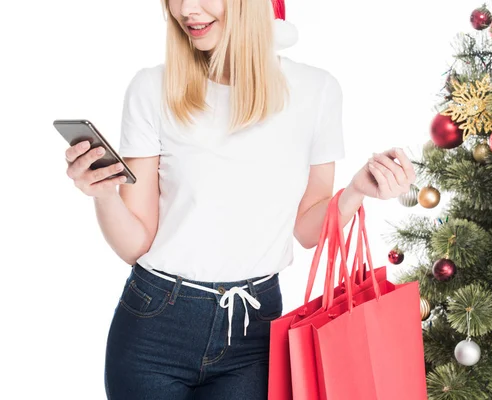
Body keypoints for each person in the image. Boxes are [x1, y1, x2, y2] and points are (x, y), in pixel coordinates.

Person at [63, 0, 415, 399]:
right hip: (155, 325)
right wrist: (104, 194)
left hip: (254, 331)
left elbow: (306, 231)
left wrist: (356, 191)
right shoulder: (152, 89)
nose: (185, 10)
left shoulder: (316, 92)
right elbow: (135, 244)